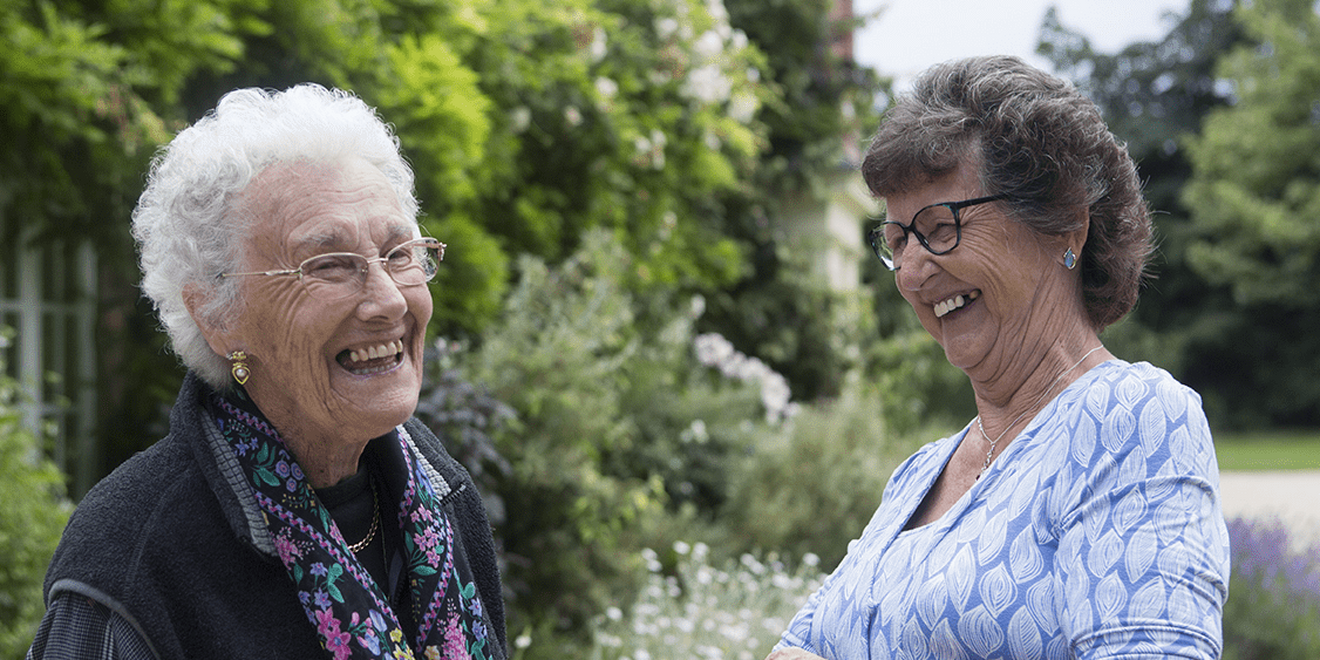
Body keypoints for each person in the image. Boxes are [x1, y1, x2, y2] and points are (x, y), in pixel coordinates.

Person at [769, 56, 1229, 659]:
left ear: (1064, 225)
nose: (910, 272)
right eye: (898, 240)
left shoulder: (1131, 419)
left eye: (941, 227)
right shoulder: (917, 476)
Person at [28, 84, 508, 660]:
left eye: (399, 254)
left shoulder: (436, 488)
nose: (389, 300)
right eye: (329, 264)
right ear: (217, 315)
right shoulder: (134, 564)